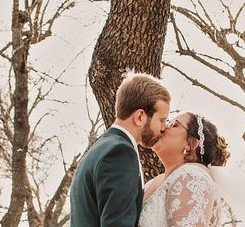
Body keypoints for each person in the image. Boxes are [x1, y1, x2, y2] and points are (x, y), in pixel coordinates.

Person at [70, 73, 171, 227]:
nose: (164, 128)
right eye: (162, 120)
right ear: (140, 117)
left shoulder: (99, 149)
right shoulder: (120, 153)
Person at [138, 112, 230, 227]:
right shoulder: (158, 181)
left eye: (174, 125)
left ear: (191, 144)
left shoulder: (193, 177)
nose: (163, 128)